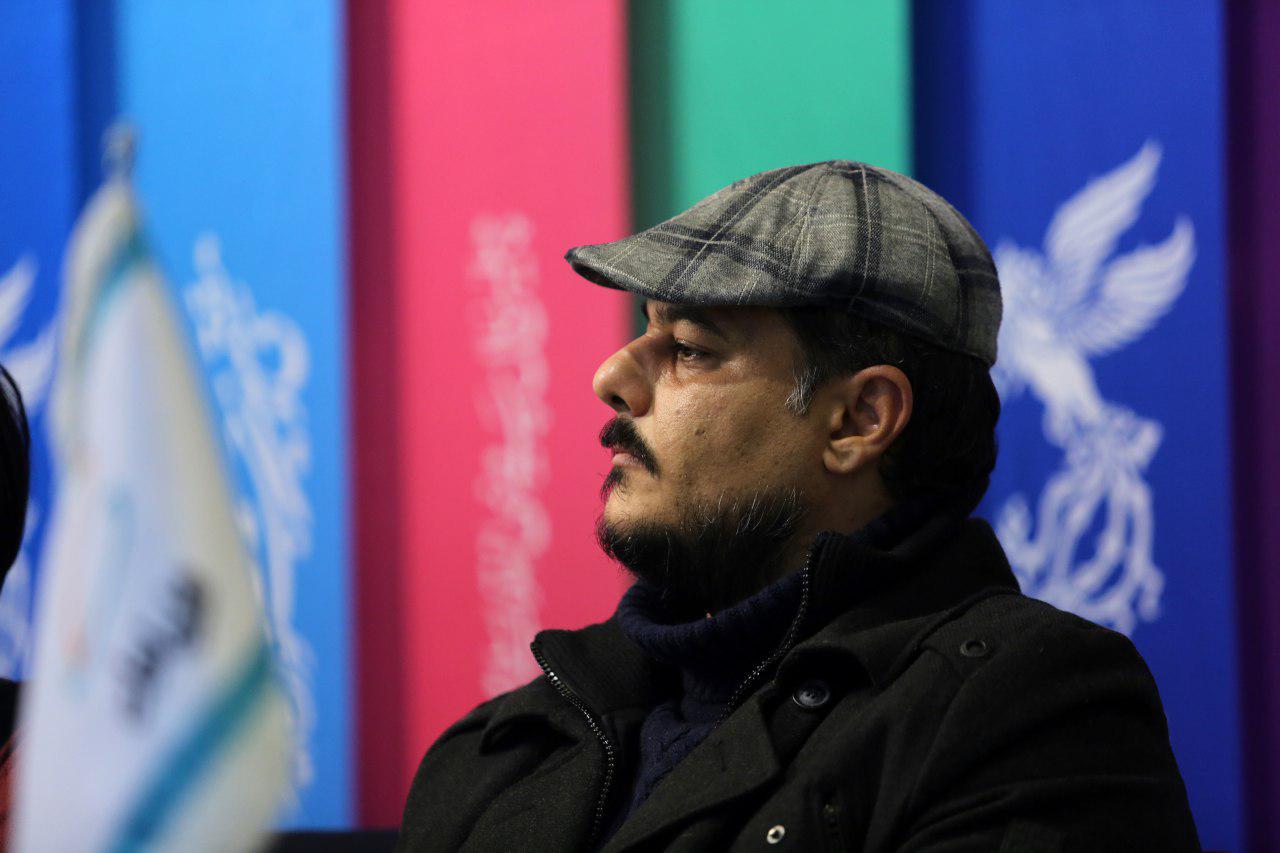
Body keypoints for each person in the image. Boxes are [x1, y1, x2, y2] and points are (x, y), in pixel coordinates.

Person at [397, 161, 1200, 851]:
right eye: (646, 329)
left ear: (860, 419)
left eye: (689, 349)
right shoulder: (504, 746)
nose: (612, 376)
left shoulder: (1032, 713)